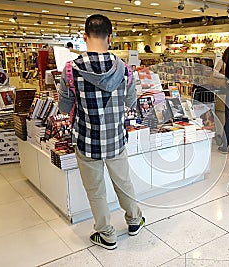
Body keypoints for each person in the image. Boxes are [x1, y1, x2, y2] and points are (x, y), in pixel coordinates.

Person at [58, 14, 144, 250]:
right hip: (116, 138)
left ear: (84, 37)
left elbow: (64, 107)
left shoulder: (70, 70)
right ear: (110, 37)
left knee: (95, 190)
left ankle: (107, 234)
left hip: (87, 140)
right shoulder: (125, 69)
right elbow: (130, 101)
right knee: (123, 182)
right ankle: (134, 221)